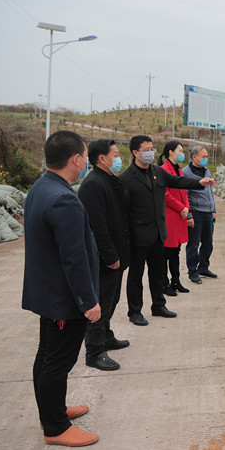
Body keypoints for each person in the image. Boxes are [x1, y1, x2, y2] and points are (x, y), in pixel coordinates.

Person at [23, 130, 101, 447]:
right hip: (64, 298)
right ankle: (55, 427)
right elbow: (74, 259)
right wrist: (88, 301)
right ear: (76, 159)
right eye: (85, 157)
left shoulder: (41, 187)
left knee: (46, 355)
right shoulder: (64, 199)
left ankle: (51, 411)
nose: (85, 162)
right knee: (58, 361)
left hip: (48, 292)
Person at [119, 135, 215, 326]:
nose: (150, 153)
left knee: (157, 273)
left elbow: (178, 181)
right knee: (136, 276)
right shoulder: (126, 178)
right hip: (138, 237)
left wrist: (199, 183)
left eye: (152, 149)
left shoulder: (157, 171)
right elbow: (123, 211)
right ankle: (135, 311)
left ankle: (158, 305)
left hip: (158, 233)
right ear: (135, 153)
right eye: (146, 150)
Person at [77, 139, 130, 372]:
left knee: (112, 301)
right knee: (101, 305)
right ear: (102, 158)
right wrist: (110, 255)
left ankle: (107, 337)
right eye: (115, 155)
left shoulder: (109, 180)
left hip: (117, 254)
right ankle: (94, 352)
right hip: (105, 259)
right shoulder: (93, 184)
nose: (118, 159)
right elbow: (97, 226)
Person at [159, 141, 192, 296]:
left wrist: (187, 208)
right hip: (170, 217)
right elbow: (165, 194)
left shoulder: (179, 170)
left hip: (180, 216)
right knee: (166, 253)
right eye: (180, 151)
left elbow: (184, 191)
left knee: (175, 252)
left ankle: (176, 281)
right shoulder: (163, 170)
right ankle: (164, 284)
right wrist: (181, 207)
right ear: (171, 152)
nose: (182, 153)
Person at [183, 145, 217, 284]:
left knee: (208, 243)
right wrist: (189, 215)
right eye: (203, 157)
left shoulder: (206, 171)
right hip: (196, 213)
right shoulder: (186, 173)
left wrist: (213, 209)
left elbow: (210, 192)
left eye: (206, 156)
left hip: (208, 213)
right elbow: (185, 195)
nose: (206, 159)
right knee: (193, 244)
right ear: (194, 157)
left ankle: (203, 268)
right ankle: (193, 272)